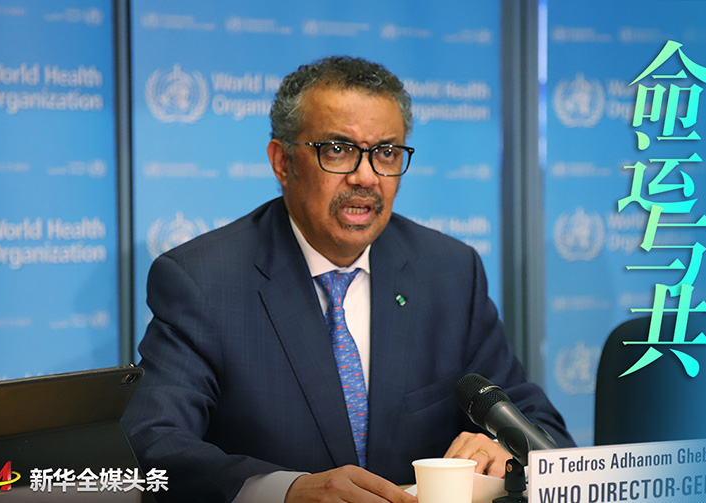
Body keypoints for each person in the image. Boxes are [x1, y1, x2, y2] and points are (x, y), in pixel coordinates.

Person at [122, 55, 574, 503]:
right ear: (283, 161)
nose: (365, 177)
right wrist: (285, 490)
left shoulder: (449, 272)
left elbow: (542, 430)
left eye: (386, 153)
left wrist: (504, 449)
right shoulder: (205, 280)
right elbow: (152, 443)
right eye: (337, 150)